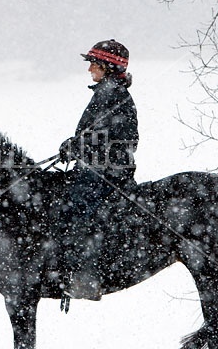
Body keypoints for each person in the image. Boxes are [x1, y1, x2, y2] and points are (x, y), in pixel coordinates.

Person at [58, 39, 139, 300]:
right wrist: (75, 145)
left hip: (108, 174)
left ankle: (87, 276)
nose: (89, 69)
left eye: (93, 64)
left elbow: (113, 139)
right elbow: (95, 136)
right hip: (96, 169)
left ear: (107, 67)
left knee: (79, 208)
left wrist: (78, 146)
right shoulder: (105, 92)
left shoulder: (113, 94)